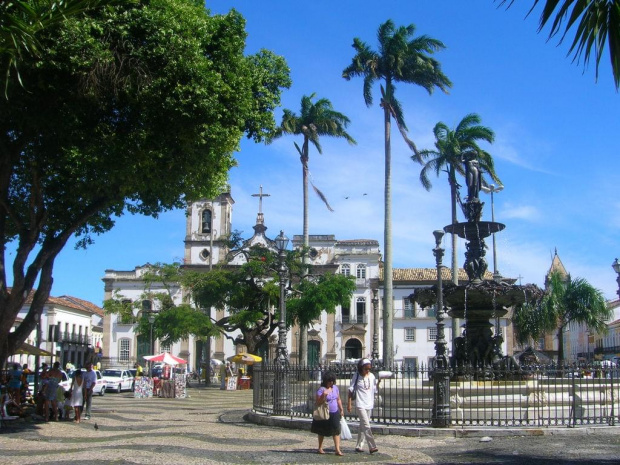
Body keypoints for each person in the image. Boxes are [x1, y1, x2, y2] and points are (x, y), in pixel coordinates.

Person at [347, 358, 380, 454]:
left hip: (369, 404)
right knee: (366, 424)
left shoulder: (372, 376)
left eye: (369, 368)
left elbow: (375, 390)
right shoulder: (356, 376)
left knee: (362, 426)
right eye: (366, 368)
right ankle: (372, 446)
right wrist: (349, 403)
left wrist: (379, 382)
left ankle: (359, 446)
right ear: (361, 368)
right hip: (360, 403)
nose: (368, 370)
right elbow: (351, 389)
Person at [310, 371, 344, 456]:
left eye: (332, 381)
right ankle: (320, 447)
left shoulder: (335, 388)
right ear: (325, 381)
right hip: (324, 413)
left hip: (334, 412)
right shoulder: (321, 390)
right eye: (329, 381)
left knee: (336, 430)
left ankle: (337, 449)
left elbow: (338, 399)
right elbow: (318, 402)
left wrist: (341, 409)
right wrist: (324, 395)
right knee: (322, 431)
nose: (331, 383)